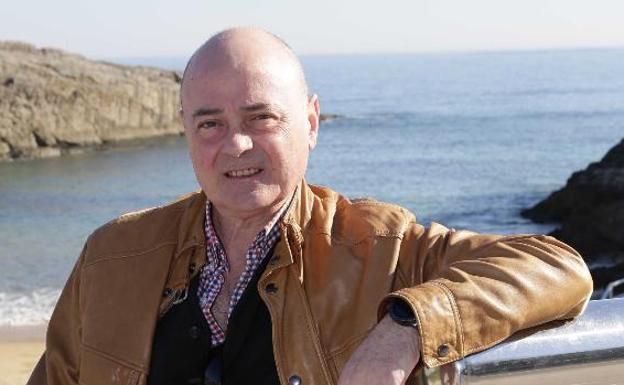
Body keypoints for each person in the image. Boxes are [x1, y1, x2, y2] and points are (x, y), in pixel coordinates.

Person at [28, 27, 593, 385]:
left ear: (312, 121)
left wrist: (407, 327)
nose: (236, 144)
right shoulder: (112, 257)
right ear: (185, 129)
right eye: (210, 123)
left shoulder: (381, 247)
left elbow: (556, 267)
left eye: (260, 117)